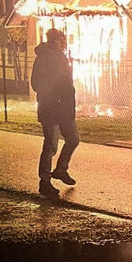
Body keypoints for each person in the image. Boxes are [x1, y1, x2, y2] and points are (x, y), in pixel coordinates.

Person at [30, 28, 79, 198]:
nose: (63, 41)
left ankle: (60, 169)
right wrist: (54, 96)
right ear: (55, 40)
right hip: (51, 108)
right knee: (51, 145)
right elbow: (36, 83)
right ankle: (44, 182)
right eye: (61, 38)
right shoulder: (44, 58)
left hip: (64, 109)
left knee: (73, 139)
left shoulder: (61, 56)